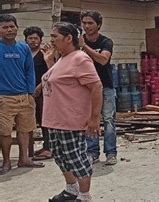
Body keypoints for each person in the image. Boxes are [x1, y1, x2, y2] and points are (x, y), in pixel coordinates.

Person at [42, 22, 103, 202]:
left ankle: (84, 196)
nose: (51, 40)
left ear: (69, 38)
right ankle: (71, 189)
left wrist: (94, 118)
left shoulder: (80, 58)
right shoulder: (62, 58)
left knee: (76, 159)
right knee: (60, 157)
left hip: (71, 120)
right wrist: (49, 62)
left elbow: (96, 87)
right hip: (54, 119)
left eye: (55, 37)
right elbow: (57, 82)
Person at [0, 14, 44, 175]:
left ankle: (24, 158)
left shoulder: (23, 48)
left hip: (24, 96)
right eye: (5, 27)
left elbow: (29, 71)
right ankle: (6, 162)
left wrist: (30, 93)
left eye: (12, 26)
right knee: (4, 132)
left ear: (17, 27)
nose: (9, 29)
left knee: (25, 129)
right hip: (3, 98)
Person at [80, 10, 117, 165]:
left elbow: (103, 60)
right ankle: (92, 153)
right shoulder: (78, 41)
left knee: (108, 120)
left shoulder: (106, 42)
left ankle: (111, 153)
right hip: (86, 88)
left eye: (90, 23)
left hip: (105, 87)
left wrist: (85, 48)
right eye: (84, 23)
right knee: (90, 121)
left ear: (99, 25)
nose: (87, 26)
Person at [23, 26, 51, 160]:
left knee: (45, 120)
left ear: (40, 40)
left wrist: (39, 87)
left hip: (43, 91)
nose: (33, 41)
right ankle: (28, 150)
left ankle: (48, 147)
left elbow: (49, 72)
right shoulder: (23, 53)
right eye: (30, 38)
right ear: (26, 39)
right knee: (28, 121)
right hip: (26, 92)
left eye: (36, 38)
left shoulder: (44, 54)